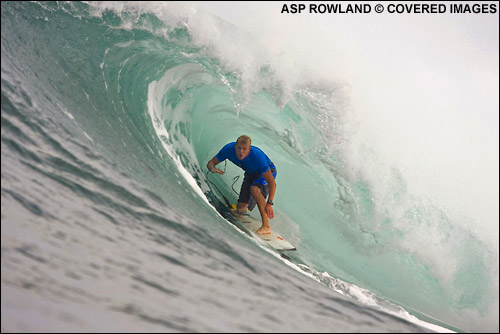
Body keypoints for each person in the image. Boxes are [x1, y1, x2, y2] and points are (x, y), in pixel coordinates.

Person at [207, 135, 277, 235]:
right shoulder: (228, 149)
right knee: (241, 207)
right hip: (250, 173)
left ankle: (266, 226)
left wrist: (269, 203)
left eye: (244, 149)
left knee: (254, 188)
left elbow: (272, 184)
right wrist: (212, 169)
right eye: (239, 148)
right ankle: (243, 210)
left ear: (249, 149)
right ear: (235, 146)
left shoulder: (257, 156)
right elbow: (210, 163)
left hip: (268, 171)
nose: (241, 152)